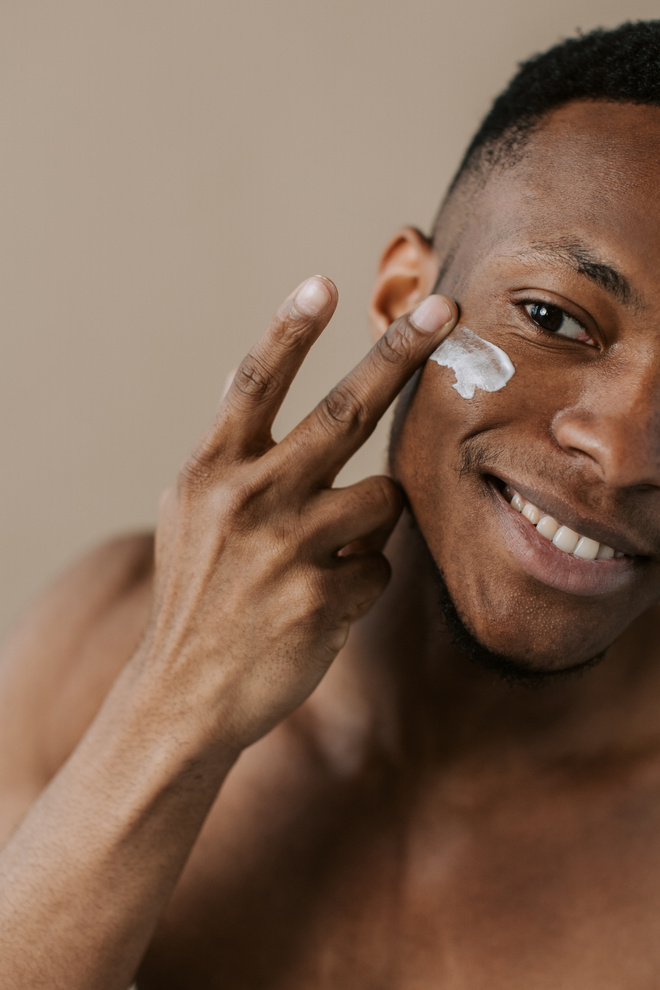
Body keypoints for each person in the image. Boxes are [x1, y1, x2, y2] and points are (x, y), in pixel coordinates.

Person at [2, 18, 660, 988]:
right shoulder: (98, 639)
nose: (620, 452)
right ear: (406, 297)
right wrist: (166, 714)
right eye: (555, 318)